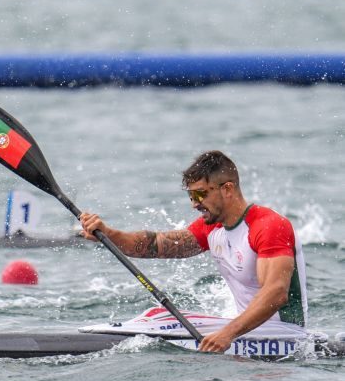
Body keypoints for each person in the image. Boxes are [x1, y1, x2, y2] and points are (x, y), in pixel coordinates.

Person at [79, 150, 306, 354]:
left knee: (160, 318)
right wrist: (108, 233)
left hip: (282, 334)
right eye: (191, 197)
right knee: (158, 315)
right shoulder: (213, 228)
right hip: (246, 331)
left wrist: (227, 334)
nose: (194, 204)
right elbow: (156, 244)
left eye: (199, 195)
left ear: (227, 189)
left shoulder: (268, 225)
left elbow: (276, 293)